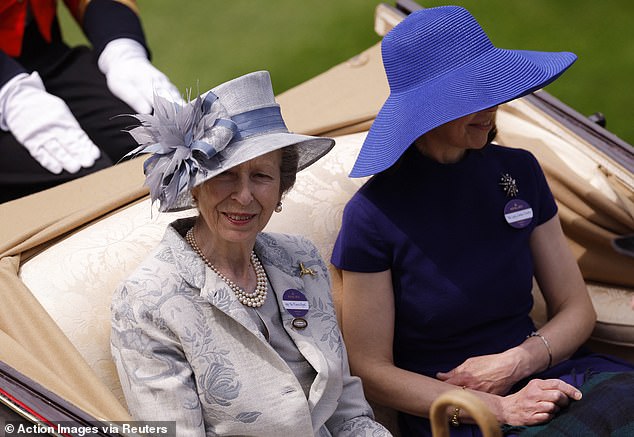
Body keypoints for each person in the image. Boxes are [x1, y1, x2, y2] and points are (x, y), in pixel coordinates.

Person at [330, 6, 634, 437]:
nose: (491, 105)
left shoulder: (520, 171)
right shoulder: (372, 216)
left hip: (554, 375)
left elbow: (576, 308)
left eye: (491, 87)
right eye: (468, 96)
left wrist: (519, 361)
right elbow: (371, 369)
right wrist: (498, 406)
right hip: (459, 413)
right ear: (424, 112)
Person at [111, 70, 392, 437]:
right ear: (195, 188)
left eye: (261, 176)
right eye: (225, 175)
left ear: (281, 189)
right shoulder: (145, 300)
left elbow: (348, 413)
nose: (244, 196)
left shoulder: (300, 259)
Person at [0, 0, 180, 203]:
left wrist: (121, 47)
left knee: (164, 144)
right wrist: (8, 90)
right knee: (87, 185)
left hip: (45, 51)